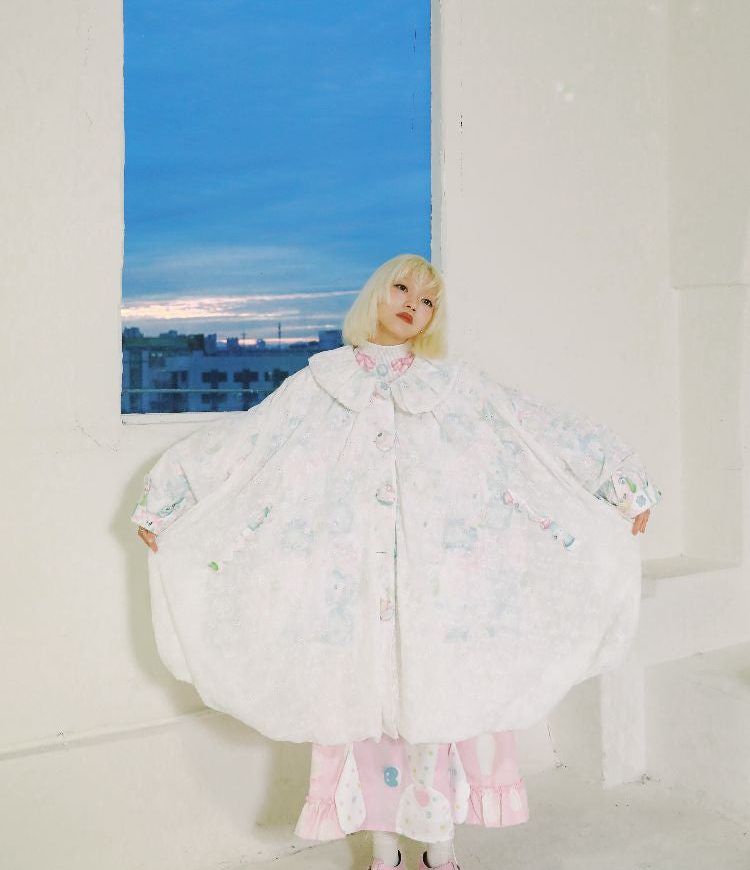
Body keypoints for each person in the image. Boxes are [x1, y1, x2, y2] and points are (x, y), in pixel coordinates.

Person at [133, 253, 661, 870]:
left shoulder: (454, 388)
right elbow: (250, 442)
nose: (414, 303)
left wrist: (617, 482)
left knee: (436, 717)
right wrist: (170, 500)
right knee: (362, 723)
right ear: (377, 295)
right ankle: (384, 852)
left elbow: (532, 429)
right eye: (403, 288)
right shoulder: (321, 384)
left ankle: (441, 850)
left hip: (431, 596)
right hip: (353, 596)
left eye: (428, 299)